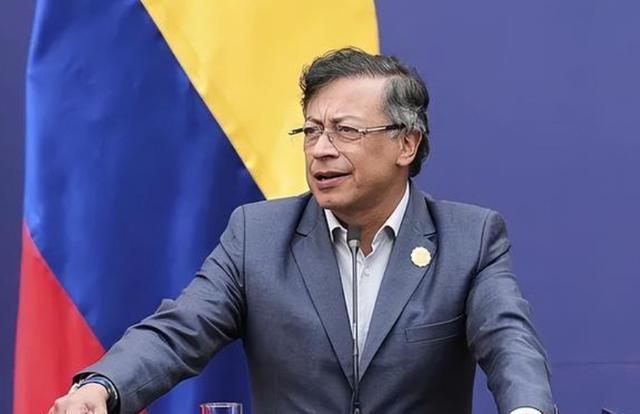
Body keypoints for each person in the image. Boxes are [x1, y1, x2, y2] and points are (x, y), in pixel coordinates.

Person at [49, 48, 555, 414]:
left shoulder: (470, 238)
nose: (321, 149)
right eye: (312, 131)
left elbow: (508, 341)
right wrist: (103, 387)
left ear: (406, 144)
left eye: (346, 131)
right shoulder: (257, 235)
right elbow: (181, 330)